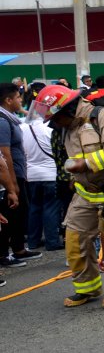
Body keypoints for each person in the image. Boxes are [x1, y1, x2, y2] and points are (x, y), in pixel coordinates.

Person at [30, 84, 104, 308]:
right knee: (74, 241)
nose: (52, 124)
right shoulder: (67, 126)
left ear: (67, 110)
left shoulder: (103, 116)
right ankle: (87, 288)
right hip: (85, 195)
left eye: (54, 118)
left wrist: (86, 164)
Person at [0, 83, 39, 267]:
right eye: (17, 97)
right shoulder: (2, 121)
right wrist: (12, 184)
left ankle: (18, 249)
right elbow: (4, 154)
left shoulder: (11, 118)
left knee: (20, 212)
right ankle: (3, 254)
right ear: (8, 100)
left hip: (18, 174)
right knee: (10, 214)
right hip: (11, 176)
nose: (20, 100)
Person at [21, 113, 62, 252]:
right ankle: (52, 241)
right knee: (51, 208)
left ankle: (33, 242)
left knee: (34, 208)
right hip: (50, 173)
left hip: (31, 175)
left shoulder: (22, 129)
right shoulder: (49, 129)